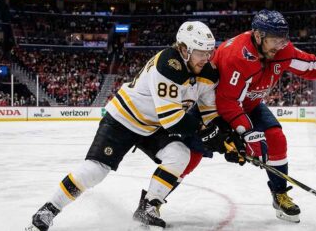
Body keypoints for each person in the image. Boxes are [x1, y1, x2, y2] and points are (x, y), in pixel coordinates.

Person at [26, 21, 225, 231]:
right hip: (123, 119)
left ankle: (148, 207)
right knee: (96, 170)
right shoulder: (168, 64)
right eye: (200, 52)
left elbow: (209, 111)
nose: (206, 58)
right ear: (184, 49)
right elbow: (172, 119)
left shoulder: (208, 72)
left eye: (209, 52)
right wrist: (205, 131)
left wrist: (221, 134)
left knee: (179, 155)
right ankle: (49, 209)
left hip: (152, 125)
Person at [211, 9, 316, 223]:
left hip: (249, 104)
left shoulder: (281, 50)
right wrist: (247, 133)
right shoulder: (237, 56)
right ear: (258, 36)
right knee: (190, 153)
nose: (280, 46)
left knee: (276, 136)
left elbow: (310, 66)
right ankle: (154, 200)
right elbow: (227, 102)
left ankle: (279, 194)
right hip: (213, 109)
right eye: (275, 40)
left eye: (283, 39)